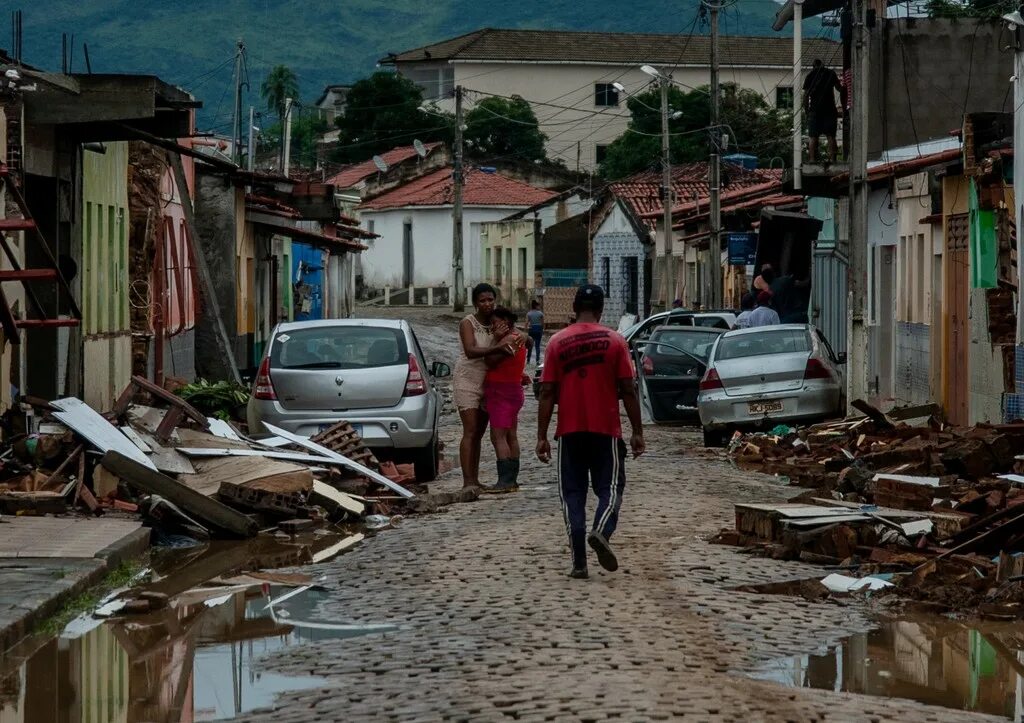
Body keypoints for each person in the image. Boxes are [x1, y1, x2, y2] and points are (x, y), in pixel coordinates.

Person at [536, 284, 645, 580]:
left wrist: (542, 435)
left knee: (572, 495)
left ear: (574, 309)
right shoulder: (616, 342)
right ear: (600, 310)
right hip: (605, 429)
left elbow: (547, 392)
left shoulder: (557, 343)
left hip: (569, 431)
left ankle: (579, 562)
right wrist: (637, 431)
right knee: (610, 489)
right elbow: (628, 389)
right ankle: (602, 530)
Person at [454, 283, 524, 490]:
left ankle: (476, 480)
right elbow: (470, 351)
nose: (487, 304)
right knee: (471, 430)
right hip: (468, 379)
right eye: (482, 300)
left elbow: (519, 338)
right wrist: (496, 341)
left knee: (482, 432)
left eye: (490, 299)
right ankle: (468, 482)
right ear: (475, 303)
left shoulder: (498, 321)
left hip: (491, 381)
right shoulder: (468, 322)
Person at [482, 307, 529, 493]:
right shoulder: (519, 336)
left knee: (498, 436)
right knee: (511, 435)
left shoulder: (508, 340)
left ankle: (505, 480)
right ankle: (512, 478)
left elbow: (489, 360)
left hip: (500, 390)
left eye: (495, 322)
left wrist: (494, 340)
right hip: (512, 388)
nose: (492, 326)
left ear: (505, 322)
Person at [804, 59, 846, 164]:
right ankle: (832, 159)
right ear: (823, 65)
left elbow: (806, 96)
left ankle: (812, 159)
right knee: (830, 136)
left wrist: (807, 111)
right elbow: (839, 88)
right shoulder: (830, 73)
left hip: (814, 110)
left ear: (813, 66)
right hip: (830, 110)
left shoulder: (810, 76)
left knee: (813, 136)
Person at [526, 300, 544, 365]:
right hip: (538, 329)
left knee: (530, 345)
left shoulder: (529, 313)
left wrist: (526, 330)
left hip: (531, 329)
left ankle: (528, 360)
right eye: (538, 305)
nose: (539, 307)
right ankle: (537, 361)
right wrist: (541, 330)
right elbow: (542, 324)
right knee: (537, 346)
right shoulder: (540, 313)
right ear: (536, 306)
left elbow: (526, 323)